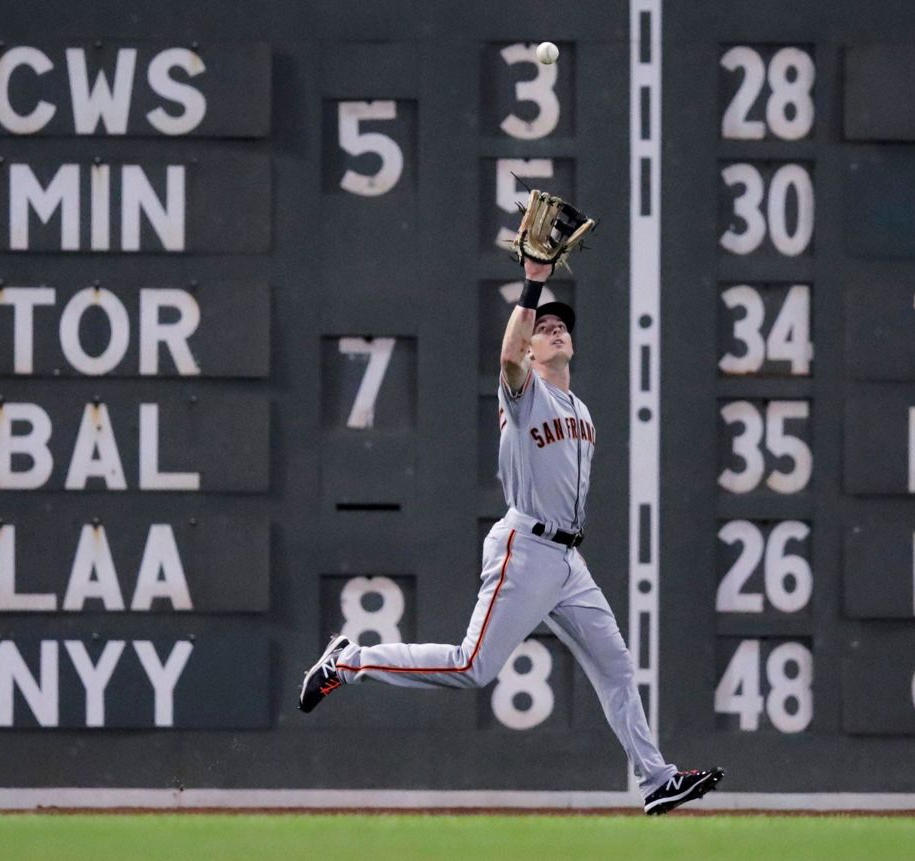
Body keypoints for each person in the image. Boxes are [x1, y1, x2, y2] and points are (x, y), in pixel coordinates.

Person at [299, 258, 723, 815]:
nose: (555, 329)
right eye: (542, 329)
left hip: (568, 560)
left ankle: (656, 779)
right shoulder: (522, 395)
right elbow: (505, 356)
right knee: (470, 666)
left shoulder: (583, 412)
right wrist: (534, 282)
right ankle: (347, 663)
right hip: (525, 547)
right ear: (528, 351)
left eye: (560, 325)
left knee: (616, 667)